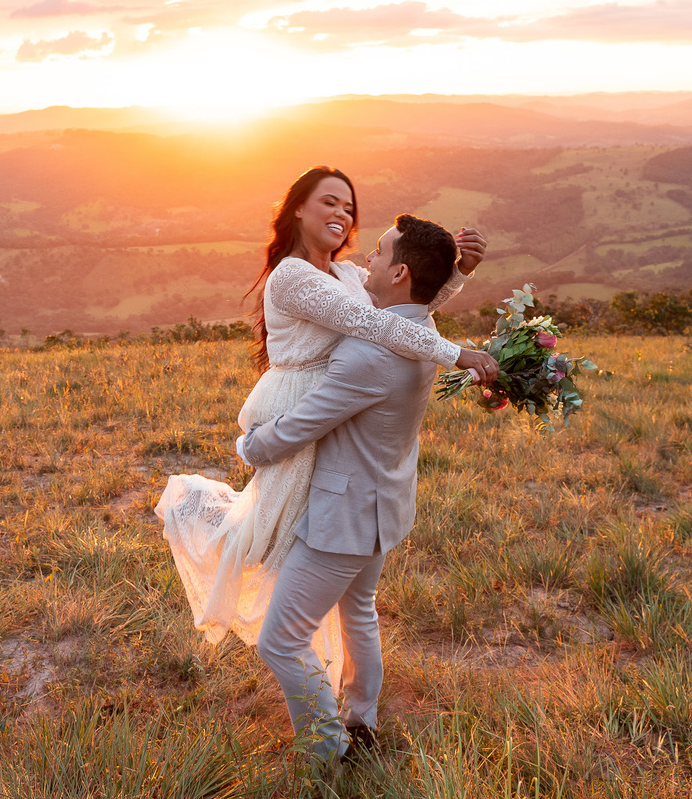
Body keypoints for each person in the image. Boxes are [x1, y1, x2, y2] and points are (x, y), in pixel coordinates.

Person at [156, 166, 496, 691]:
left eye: (349, 207)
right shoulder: (292, 276)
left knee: (334, 601)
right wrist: (457, 354)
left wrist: (455, 275)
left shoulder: (349, 276)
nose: (342, 213)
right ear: (297, 207)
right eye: (329, 202)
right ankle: (346, 708)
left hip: (333, 426)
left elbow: (401, 311)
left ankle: (344, 721)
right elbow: (375, 324)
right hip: (301, 413)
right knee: (274, 546)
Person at [240, 213, 496, 763]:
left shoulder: (370, 353)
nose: (367, 262)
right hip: (383, 506)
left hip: (344, 517)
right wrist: (458, 273)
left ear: (400, 273)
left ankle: (330, 750)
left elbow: (305, 424)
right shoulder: (422, 330)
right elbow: (415, 309)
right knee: (359, 613)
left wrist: (251, 447)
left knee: (281, 640)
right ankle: (362, 721)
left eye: (379, 253)